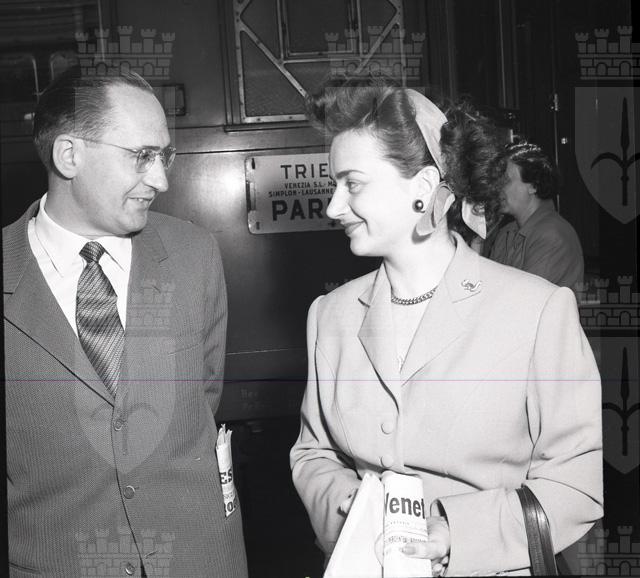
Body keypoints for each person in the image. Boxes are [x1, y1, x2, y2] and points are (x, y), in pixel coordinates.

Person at [290, 77, 602, 576]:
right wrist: (350, 506)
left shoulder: (538, 311)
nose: (333, 207)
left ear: (422, 189)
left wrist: (455, 534)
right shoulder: (330, 315)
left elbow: (576, 486)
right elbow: (313, 454)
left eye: (353, 183)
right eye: (334, 185)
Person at [4, 68, 248, 578]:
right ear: (69, 155)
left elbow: (204, 397)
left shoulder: (193, 253)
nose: (160, 180)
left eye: (165, 157)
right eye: (141, 156)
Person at [485, 141, 584, 290]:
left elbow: (524, 298)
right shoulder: (506, 233)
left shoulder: (552, 236)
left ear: (533, 185)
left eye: (505, 180)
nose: (497, 188)